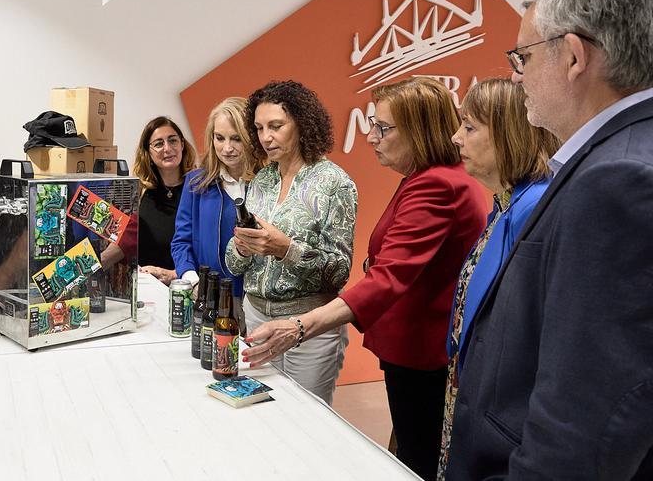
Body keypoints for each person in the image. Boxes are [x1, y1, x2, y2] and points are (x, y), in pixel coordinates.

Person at [446, 0, 653, 479]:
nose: (518, 78)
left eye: (523, 57)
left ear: (575, 56)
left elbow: (585, 418)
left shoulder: (618, 179)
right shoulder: (618, 155)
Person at [242, 77, 487, 480]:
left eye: (383, 128)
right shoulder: (424, 178)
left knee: (416, 455)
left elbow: (386, 276)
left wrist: (302, 324)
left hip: (421, 349)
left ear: (419, 131)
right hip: (406, 344)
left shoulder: (436, 185)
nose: (371, 136)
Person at [435, 78, 559, 480]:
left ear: (509, 134)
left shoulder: (534, 210)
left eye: (469, 127)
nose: (456, 138)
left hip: (502, 416)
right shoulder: (507, 203)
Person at [224, 80, 357, 405]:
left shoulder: (334, 183)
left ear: (301, 123)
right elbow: (232, 261)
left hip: (308, 327)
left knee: (306, 423)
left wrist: (286, 249)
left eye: (276, 126)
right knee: (260, 416)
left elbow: (339, 273)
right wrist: (242, 246)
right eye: (258, 128)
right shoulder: (263, 180)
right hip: (255, 317)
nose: (265, 137)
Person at [171, 97, 265, 330]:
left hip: (256, 302)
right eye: (219, 138)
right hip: (209, 298)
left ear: (250, 139)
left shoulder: (269, 183)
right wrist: (193, 283)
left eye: (236, 139)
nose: (227, 148)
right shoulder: (196, 183)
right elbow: (181, 242)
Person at [132, 116, 196, 285]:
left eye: (173, 140)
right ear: (147, 152)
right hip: (145, 289)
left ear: (182, 144)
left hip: (186, 287)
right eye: (159, 144)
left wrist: (174, 274)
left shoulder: (199, 190)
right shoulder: (139, 193)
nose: (167, 148)